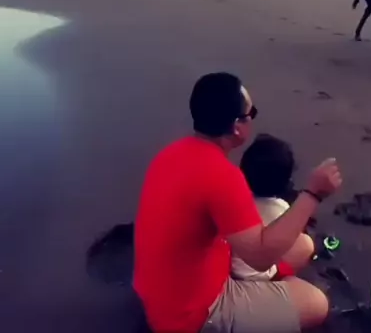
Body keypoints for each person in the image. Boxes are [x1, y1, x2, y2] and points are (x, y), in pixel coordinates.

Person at [134, 72, 343, 333]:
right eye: (250, 113)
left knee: (302, 245)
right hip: (187, 314)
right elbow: (260, 258)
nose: (252, 119)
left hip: (167, 284)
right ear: (236, 126)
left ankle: (263, 300)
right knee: (316, 304)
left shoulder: (171, 153)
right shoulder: (222, 176)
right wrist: (313, 194)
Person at [231, 134, 302, 282]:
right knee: (304, 245)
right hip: (258, 276)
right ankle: (280, 282)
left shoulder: (233, 198)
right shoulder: (282, 209)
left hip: (232, 269)